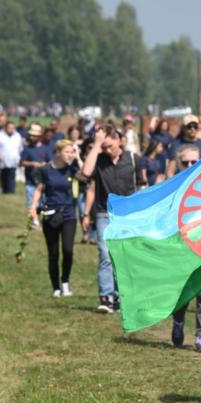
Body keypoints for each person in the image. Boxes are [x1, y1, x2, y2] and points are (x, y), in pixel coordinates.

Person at [82, 125, 144, 313]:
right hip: (104, 213)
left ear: (118, 140)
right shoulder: (99, 159)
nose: (107, 150)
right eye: (104, 147)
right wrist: (97, 145)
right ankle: (106, 297)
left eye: (110, 146)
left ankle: (119, 296)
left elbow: (142, 185)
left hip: (127, 215)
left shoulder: (133, 159)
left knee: (124, 256)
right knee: (105, 253)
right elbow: (86, 172)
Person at [169, 145, 201, 353]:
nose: (189, 165)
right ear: (178, 164)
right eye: (185, 162)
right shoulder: (172, 188)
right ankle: (178, 320)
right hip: (181, 246)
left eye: (194, 162)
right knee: (183, 291)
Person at [30, 140, 79, 298]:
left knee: (68, 250)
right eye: (67, 152)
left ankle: (65, 282)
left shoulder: (72, 169)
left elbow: (86, 176)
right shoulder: (46, 170)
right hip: (50, 214)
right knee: (53, 253)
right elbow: (39, 189)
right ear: (58, 152)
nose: (70, 155)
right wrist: (33, 207)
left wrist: (78, 158)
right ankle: (55, 287)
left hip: (69, 214)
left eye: (72, 152)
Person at [21, 123, 52, 210]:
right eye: (31, 135)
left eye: (34, 136)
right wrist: (33, 164)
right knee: (32, 207)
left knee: (43, 207)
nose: (32, 137)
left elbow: (51, 162)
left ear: (39, 136)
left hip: (43, 182)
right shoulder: (27, 149)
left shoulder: (45, 148)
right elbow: (22, 162)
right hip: (30, 182)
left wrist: (44, 165)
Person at [0, 121, 23, 194]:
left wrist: (20, 158)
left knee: (11, 177)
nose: (11, 129)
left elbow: (20, 148)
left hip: (14, 161)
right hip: (3, 161)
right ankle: (4, 189)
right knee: (4, 177)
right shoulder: (0, 136)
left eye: (12, 128)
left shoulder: (17, 136)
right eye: (9, 128)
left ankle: (11, 191)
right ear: (6, 128)